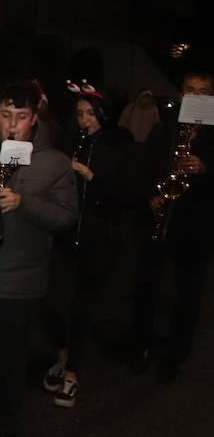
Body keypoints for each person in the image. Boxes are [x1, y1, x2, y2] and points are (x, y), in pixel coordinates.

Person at [0, 81, 77, 437]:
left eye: (21, 117)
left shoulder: (54, 162)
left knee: (7, 362)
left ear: (34, 119)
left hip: (18, 278)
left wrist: (22, 202)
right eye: (6, 116)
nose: (12, 125)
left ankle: (4, 427)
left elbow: (66, 217)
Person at [42, 84, 137, 406]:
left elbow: (127, 195)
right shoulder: (71, 141)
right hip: (67, 236)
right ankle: (64, 357)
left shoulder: (118, 143)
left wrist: (92, 177)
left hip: (100, 240)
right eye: (80, 113)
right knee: (51, 301)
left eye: (91, 113)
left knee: (82, 309)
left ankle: (72, 375)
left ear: (103, 114)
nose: (85, 119)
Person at [123, 70, 214, 381]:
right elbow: (142, 169)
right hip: (161, 219)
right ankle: (140, 348)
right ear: (182, 94)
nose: (197, 96)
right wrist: (151, 196)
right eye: (191, 90)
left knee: (187, 295)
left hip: (197, 226)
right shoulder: (165, 131)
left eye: (204, 92)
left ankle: (175, 357)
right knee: (146, 286)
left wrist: (205, 168)